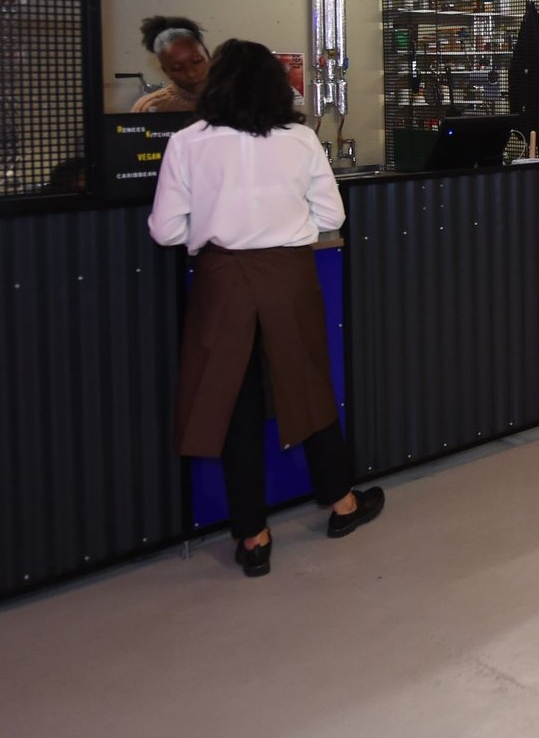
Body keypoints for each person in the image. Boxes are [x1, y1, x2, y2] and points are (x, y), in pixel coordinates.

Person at [148, 39, 385, 577]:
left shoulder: (188, 142)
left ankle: (253, 538)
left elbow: (165, 229)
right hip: (288, 275)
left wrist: (206, 234)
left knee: (232, 400)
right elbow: (332, 213)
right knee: (306, 383)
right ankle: (342, 505)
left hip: (221, 278)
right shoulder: (299, 139)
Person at [132, 15, 211, 113]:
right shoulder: (150, 107)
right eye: (177, 68)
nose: (191, 73)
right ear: (166, 71)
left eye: (197, 61)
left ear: (208, 55)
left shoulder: (233, 97)